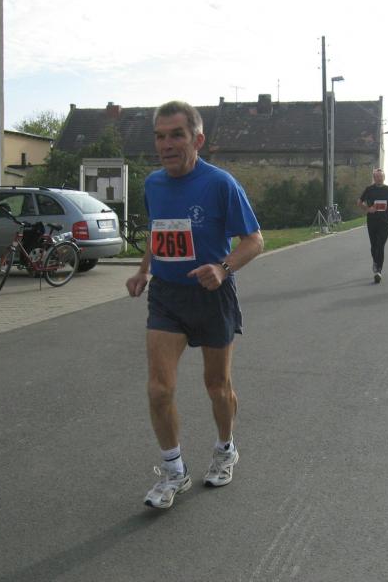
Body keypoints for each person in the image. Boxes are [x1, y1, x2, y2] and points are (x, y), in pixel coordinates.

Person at [126, 100, 264, 510]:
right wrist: (143, 270)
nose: (166, 144)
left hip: (211, 295)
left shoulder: (220, 184)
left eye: (176, 135)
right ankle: (174, 471)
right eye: (160, 136)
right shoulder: (153, 184)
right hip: (167, 295)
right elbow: (158, 232)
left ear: (197, 140)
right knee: (159, 389)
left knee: (217, 386)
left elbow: (255, 240)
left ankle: (225, 448)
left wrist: (223, 268)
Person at [358, 168, 388, 283]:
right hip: (372, 221)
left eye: (381, 176)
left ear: (384, 178)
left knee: (380, 245)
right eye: (376, 177)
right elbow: (359, 202)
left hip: (384, 221)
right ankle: (375, 262)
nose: (379, 178)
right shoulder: (369, 189)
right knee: (374, 246)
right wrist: (368, 209)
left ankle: (378, 271)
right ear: (374, 178)